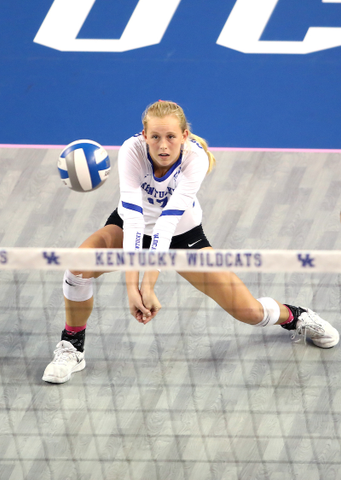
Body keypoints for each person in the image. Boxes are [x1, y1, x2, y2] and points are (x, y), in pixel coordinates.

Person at [43, 101, 339, 384]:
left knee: (248, 311)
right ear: (144, 135)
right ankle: (72, 345)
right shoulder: (132, 150)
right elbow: (134, 222)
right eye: (155, 136)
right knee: (77, 266)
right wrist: (132, 288)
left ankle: (296, 316)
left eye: (171, 137)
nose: (162, 145)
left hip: (182, 237)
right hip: (128, 228)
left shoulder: (194, 158)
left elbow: (166, 224)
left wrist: (148, 286)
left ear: (184, 136)